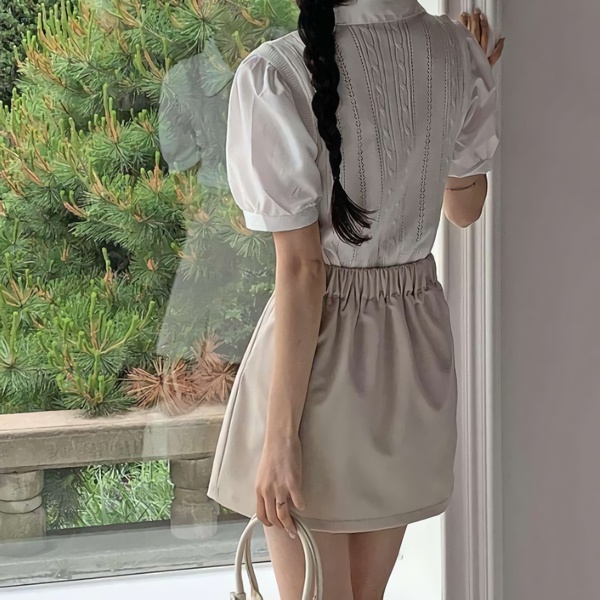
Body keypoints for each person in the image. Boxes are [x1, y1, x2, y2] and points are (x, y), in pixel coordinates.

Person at [207, 1, 505, 597]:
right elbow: (465, 208)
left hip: (317, 366)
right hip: (411, 358)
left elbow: (303, 270)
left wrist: (279, 440)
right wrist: (465, 87)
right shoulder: (456, 52)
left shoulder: (275, 72)